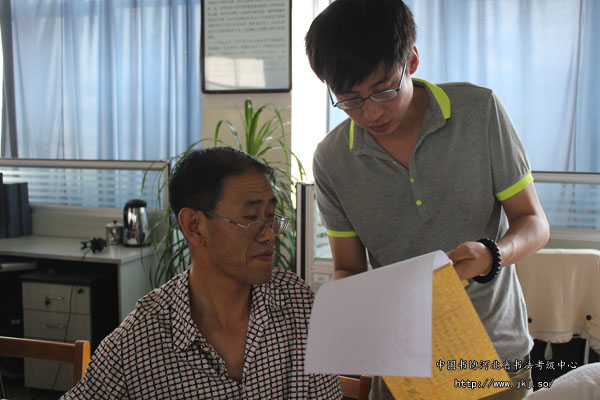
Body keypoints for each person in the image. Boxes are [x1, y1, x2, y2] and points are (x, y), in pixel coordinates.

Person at [305, 1, 550, 399]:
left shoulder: (479, 111)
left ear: (412, 61)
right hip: (401, 363)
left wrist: (493, 254)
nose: (371, 113)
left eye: (383, 89)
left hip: (492, 352)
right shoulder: (332, 159)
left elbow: (534, 223)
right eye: (350, 99)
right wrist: (342, 313)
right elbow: (348, 268)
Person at [61, 147, 342, 399]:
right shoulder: (140, 342)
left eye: (270, 217)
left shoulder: (298, 306)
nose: (269, 235)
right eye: (251, 218)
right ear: (194, 226)